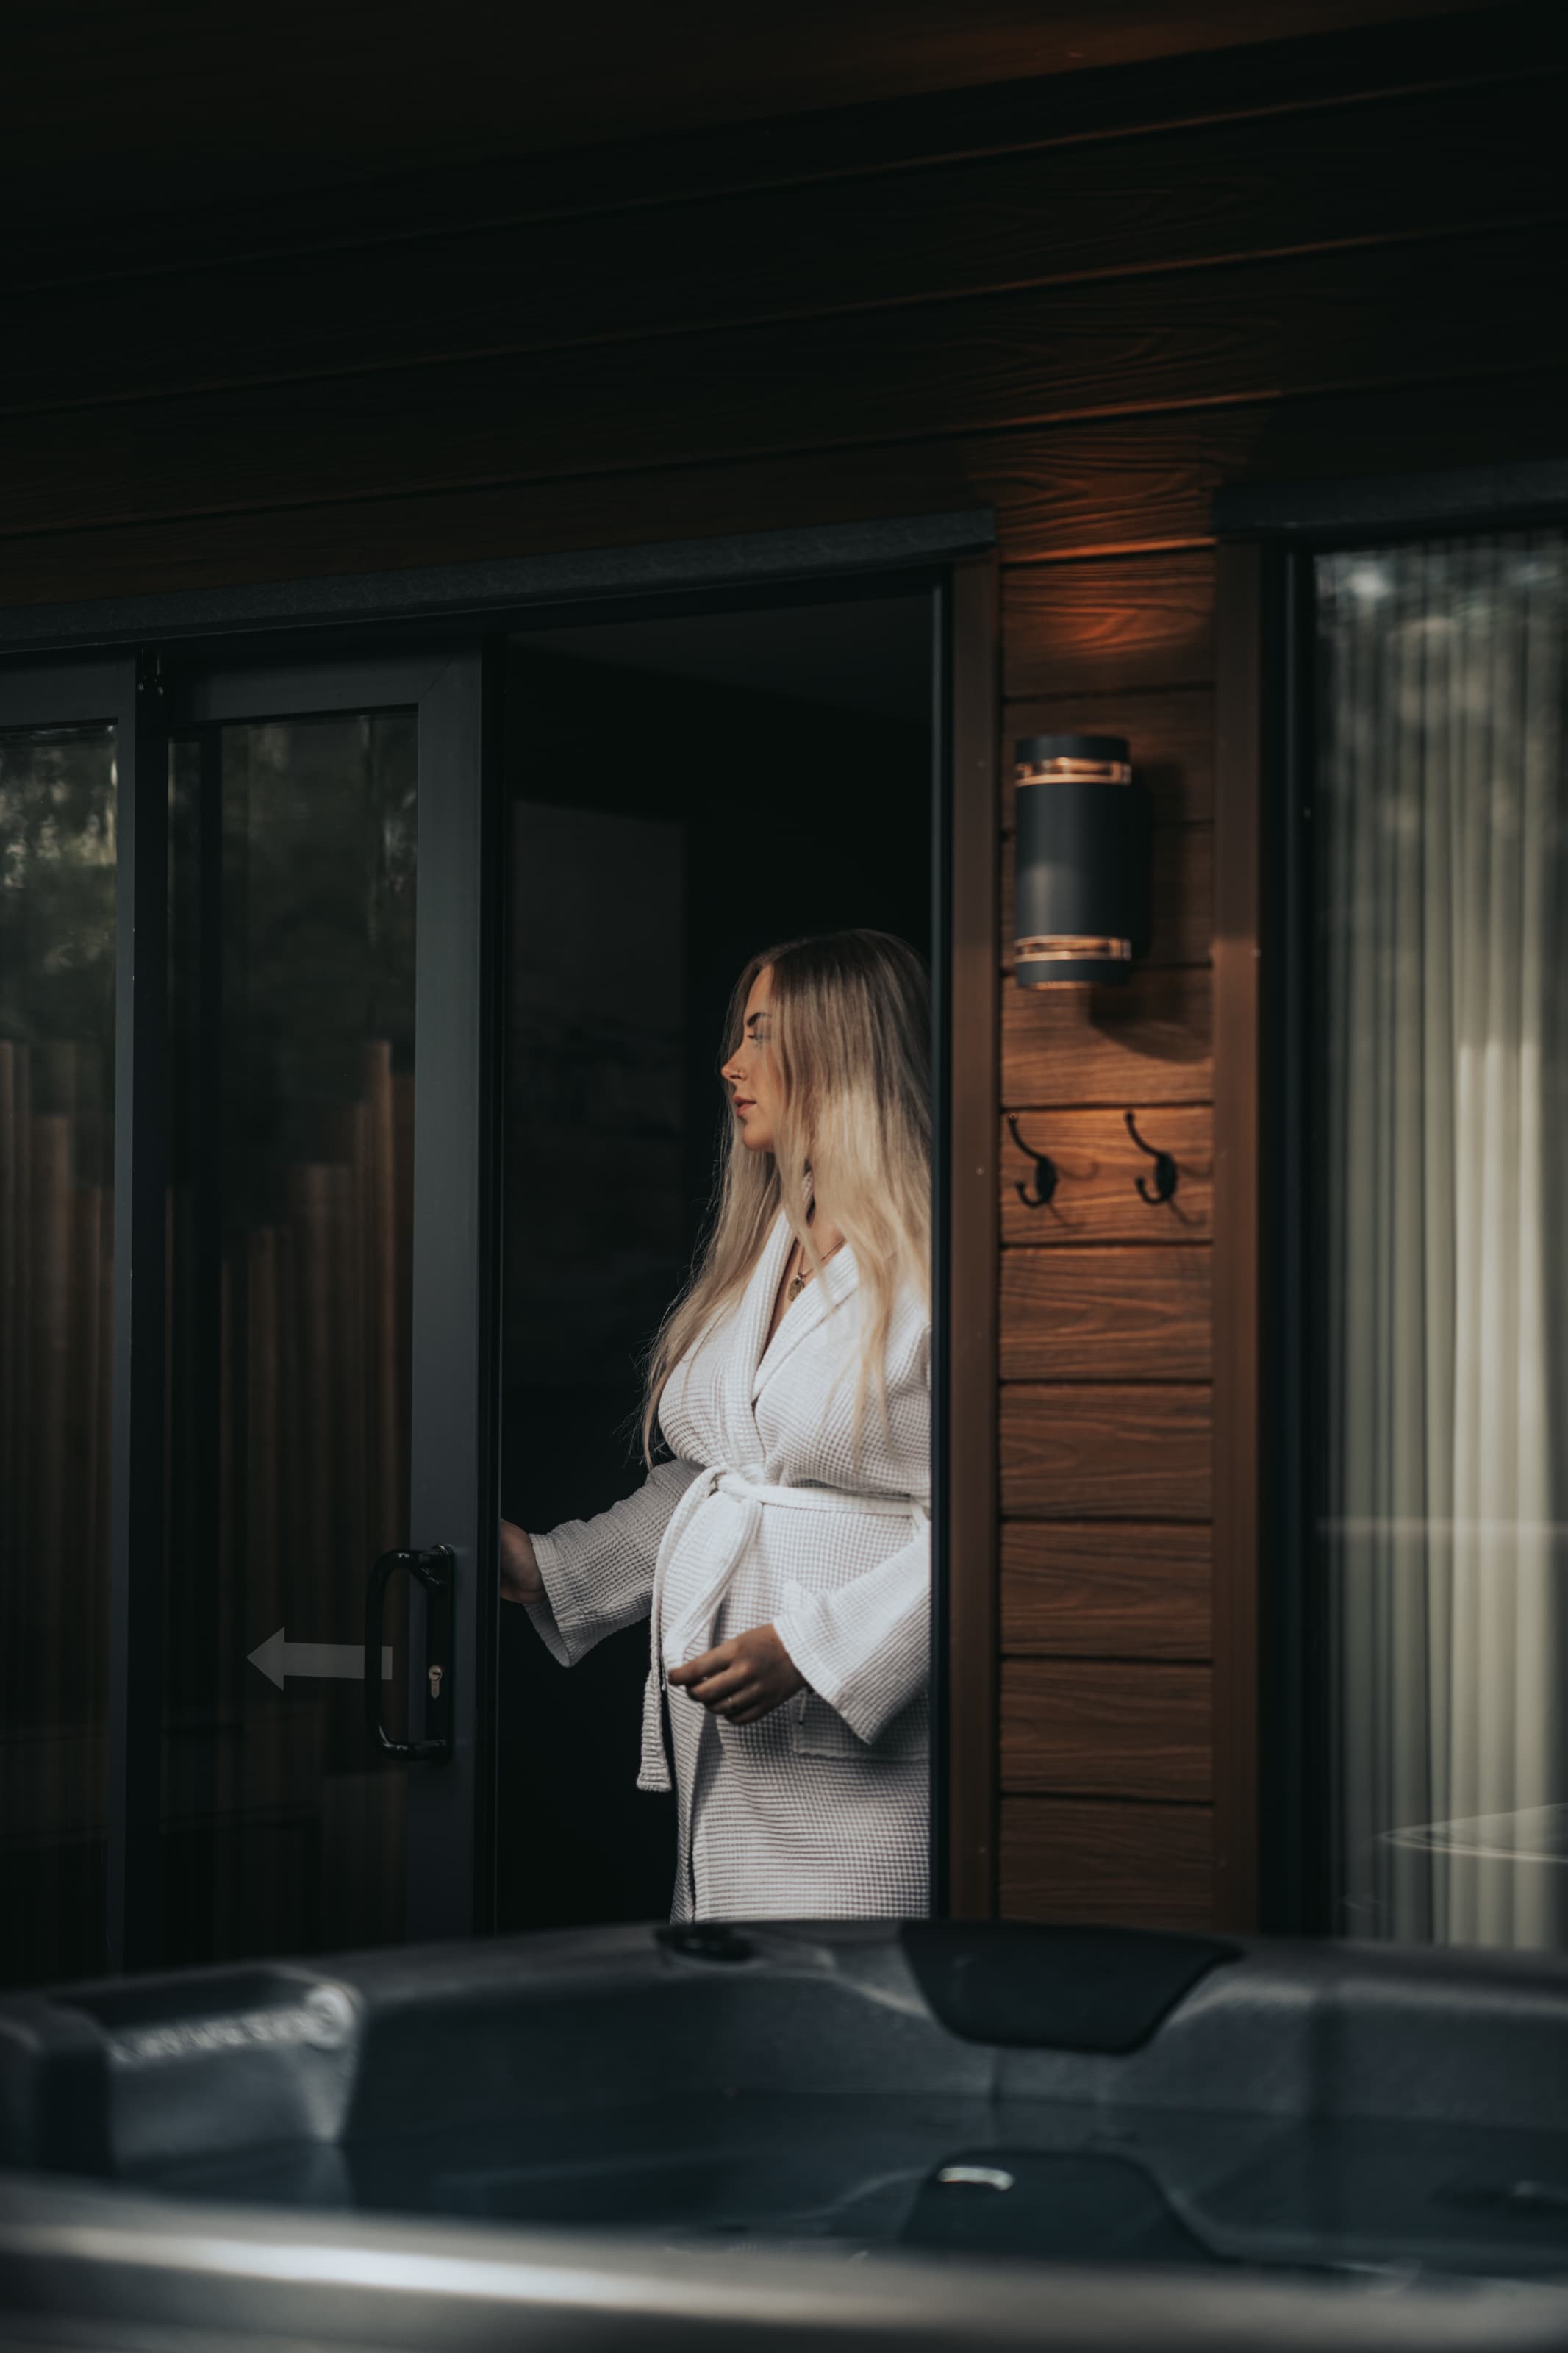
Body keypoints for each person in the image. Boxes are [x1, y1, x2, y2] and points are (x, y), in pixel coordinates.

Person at [499, 927, 932, 1921]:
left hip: (871, 1773)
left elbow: (1000, 1526)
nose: (729, 1064)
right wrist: (553, 1570)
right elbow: (716, 1483)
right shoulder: (762, 1253)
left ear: (843, 1052)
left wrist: (816, 1651)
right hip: (732, 1766)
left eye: (761, 1035)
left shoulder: (937, 1269)